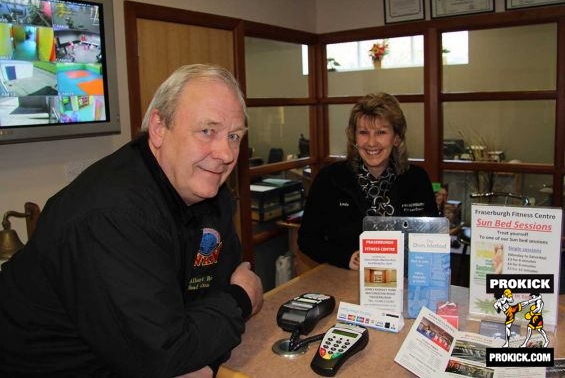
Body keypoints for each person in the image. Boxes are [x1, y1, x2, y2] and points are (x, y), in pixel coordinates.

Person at [0, 64, 263, 377]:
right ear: (158, 128)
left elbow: (209, 297)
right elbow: (163, 354)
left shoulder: (208, 190)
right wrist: (240, 300)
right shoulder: (112, 214)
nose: (225, 154)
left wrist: (200, 341)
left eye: (234, 136)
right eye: (208, 131)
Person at [297, 92, 438, 270]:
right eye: (363, 132)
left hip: (404, 283)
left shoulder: (416, 179)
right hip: (345, 281)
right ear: (354, 138)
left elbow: (432, 239)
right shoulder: (330, 179)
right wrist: (346, 258)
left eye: (381, 132)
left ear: (396, 137)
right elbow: (307, 240)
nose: (371, 142)